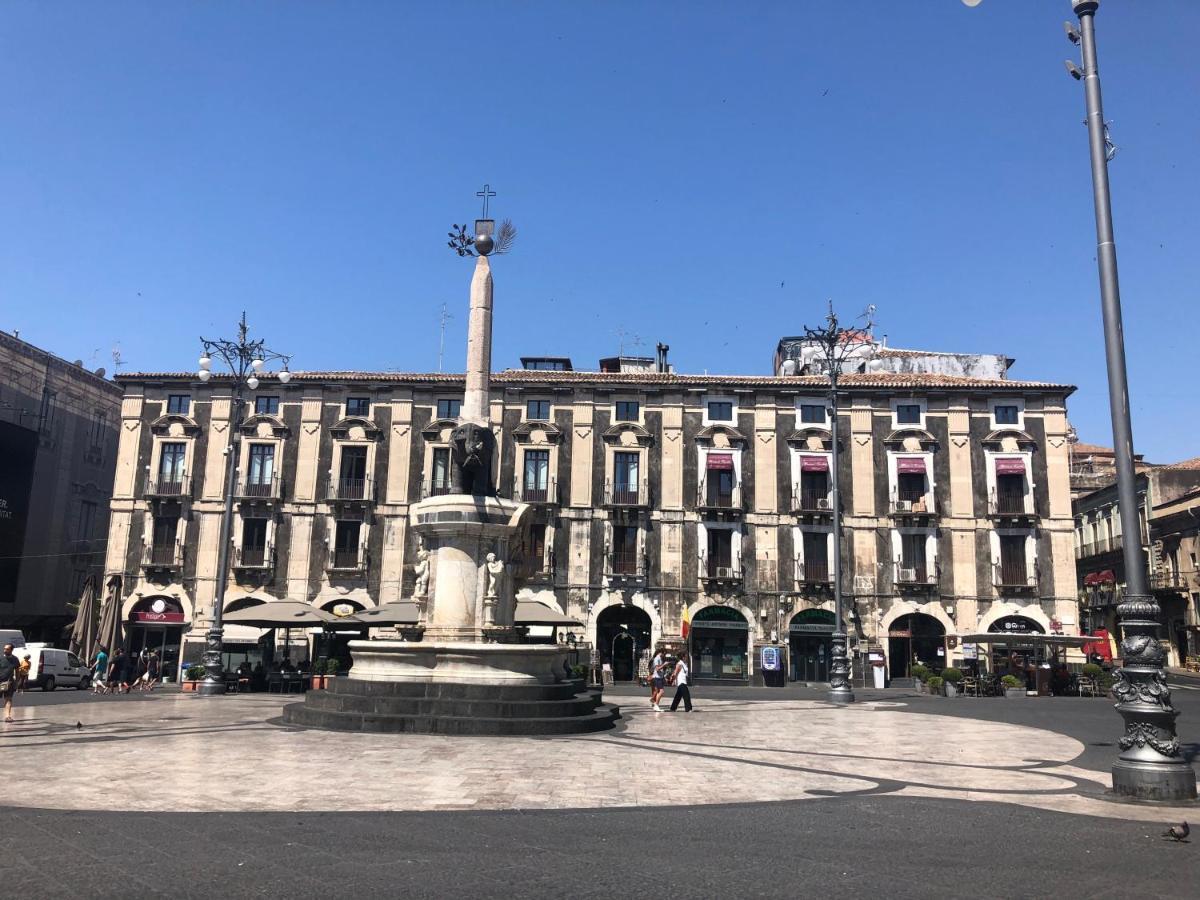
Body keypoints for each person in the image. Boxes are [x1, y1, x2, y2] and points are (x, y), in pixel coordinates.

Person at [1, 643, 20, 723]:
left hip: (9, 682)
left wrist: (16, 681)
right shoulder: (0, 658)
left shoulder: (15, 659)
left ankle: (7, 716)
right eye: (4, 648)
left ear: (11, 650)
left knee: (8, 699)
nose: (5, 650)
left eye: (7, 649)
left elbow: (17, 671)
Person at [649, 647, 667, 712]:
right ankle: (656, 705)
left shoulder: (659, 658)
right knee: (661, 691)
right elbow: (657, 669)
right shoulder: (657, 658)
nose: (664, 655)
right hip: (657, 677)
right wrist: (664, 664)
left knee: (657, 691)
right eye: (664, 654)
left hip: (660, 677)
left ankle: (655, 703)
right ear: (662, 652)